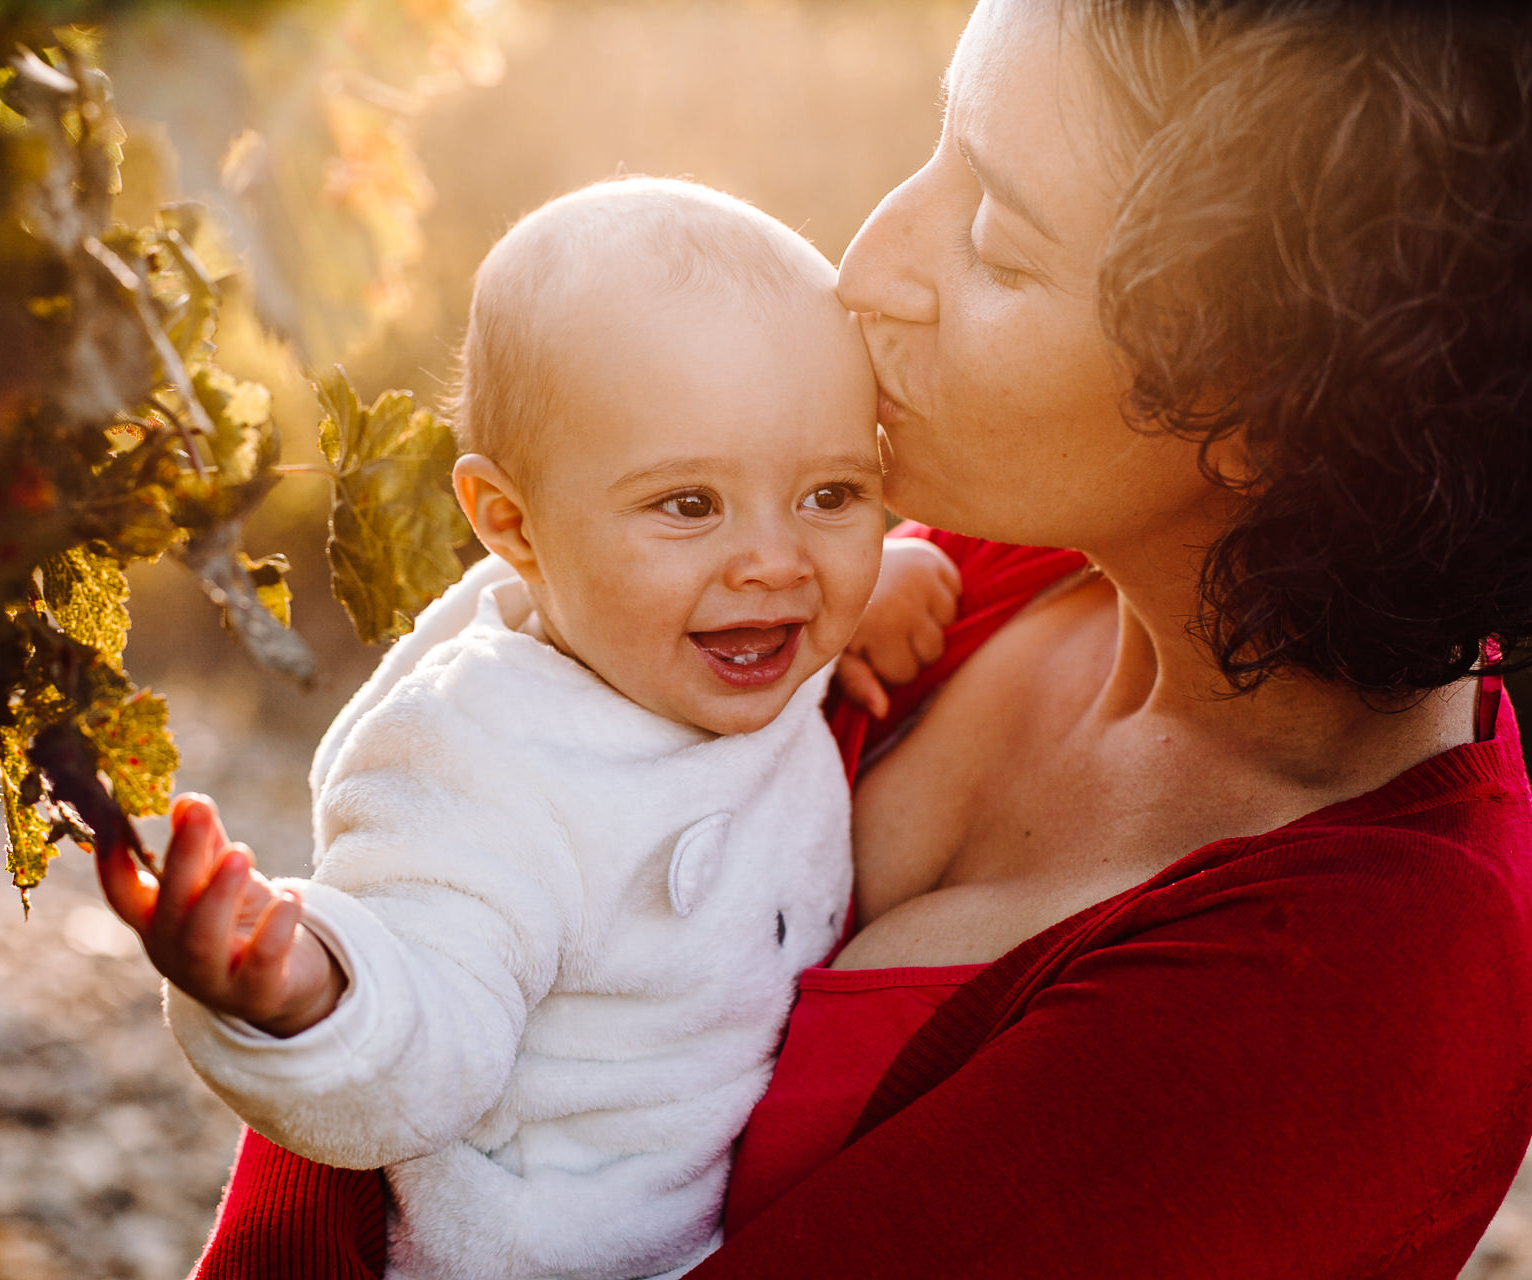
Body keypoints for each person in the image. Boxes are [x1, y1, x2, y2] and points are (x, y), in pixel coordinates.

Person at [147, 0, 1532, 1275]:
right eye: (939, 144)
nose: (868, 269)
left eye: (996, 240)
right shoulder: (943, 539)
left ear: (1264, 411)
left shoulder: (1353, 1006)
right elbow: (499, 783)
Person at [100, 178, 965, 1280]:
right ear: (513, 522)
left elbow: (782, 570)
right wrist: (304, 989)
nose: (777, 561)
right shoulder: (481, 765)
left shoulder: (705, 621)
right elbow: (427, 1030)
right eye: (690, 504)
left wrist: (871, 578)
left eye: (832, 491)